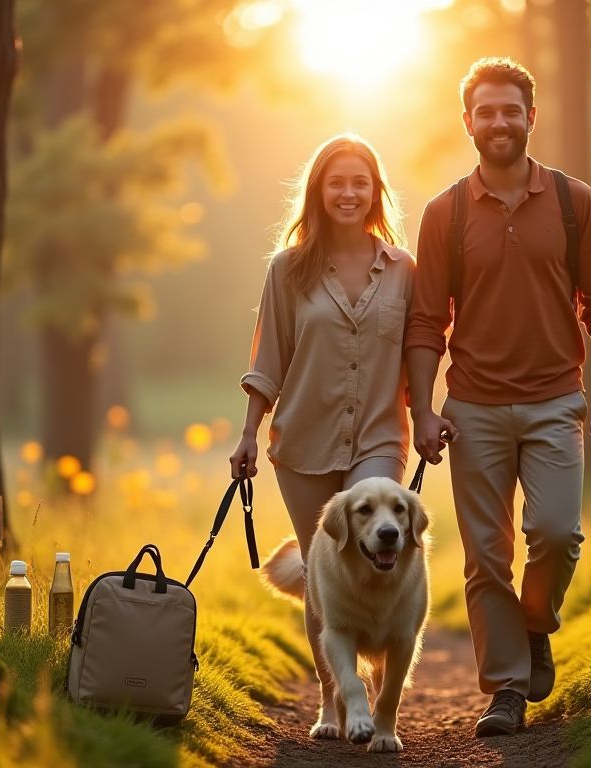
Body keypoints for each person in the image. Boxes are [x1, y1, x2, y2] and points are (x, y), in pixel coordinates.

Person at [405, 57, 591, 738]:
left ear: (532, 117)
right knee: (485, 554)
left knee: (558, 534)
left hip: (558, 400)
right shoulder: (445, 213)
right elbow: (424, 322)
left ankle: (536, 626)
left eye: (511, 111)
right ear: (468, 122)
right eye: (486, 111)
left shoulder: (571, 201)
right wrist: (423, 409)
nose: (499, 122)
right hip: (471, 407)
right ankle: (504, 688)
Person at [230, 133, 414, 739]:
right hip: (302, 440)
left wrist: (433, 415)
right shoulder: (288, 270)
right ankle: (331, 701)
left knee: (379, 533)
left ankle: (380, 691)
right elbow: (268, 361)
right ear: (318, 191)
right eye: (337, 182)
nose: (349, 192)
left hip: (380, 437)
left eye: (360, 182)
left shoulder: (403, 269)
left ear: (375, 192)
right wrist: (249, 434)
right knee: (319, 574)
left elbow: (420, 351)